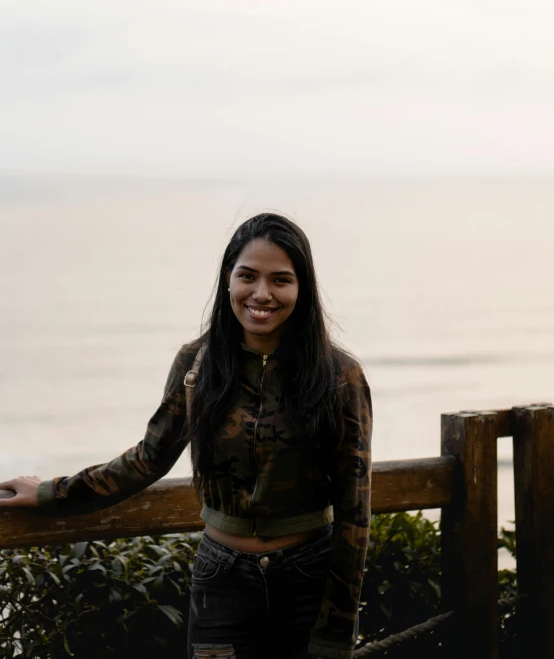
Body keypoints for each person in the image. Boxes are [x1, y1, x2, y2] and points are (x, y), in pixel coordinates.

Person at [0, 213, 372, 659]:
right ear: (227, 280)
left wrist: (339, 623)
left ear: (302, 289)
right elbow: (149, 458)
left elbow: (355, 506)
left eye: (281, 280)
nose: (261, 294)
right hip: (223, 579)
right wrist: (49, 493)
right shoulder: (197, 364)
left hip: (308, 576)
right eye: (247, 276)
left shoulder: (338, 375)